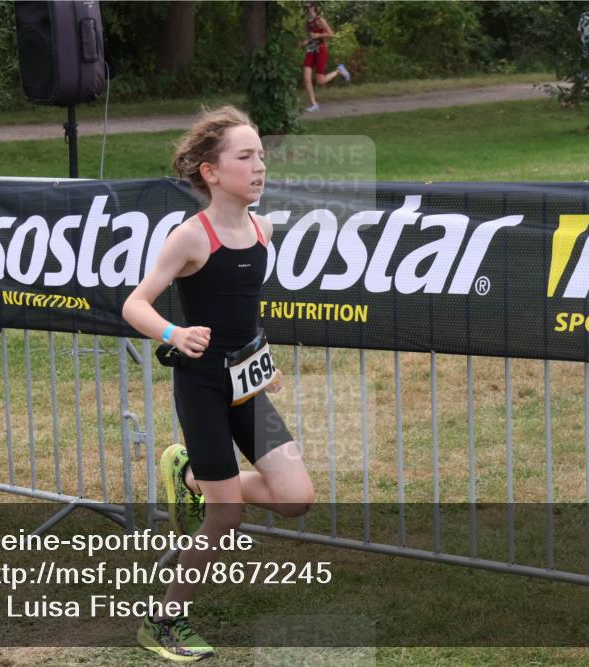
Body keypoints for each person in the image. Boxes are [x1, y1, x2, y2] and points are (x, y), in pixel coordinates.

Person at [122, 106, 315, 662]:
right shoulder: (191, 237)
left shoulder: (263, 228)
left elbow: (242, 315)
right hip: (202, 387)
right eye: (245, 157)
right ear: (210, 171)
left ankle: (191, 477)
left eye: (261, 156)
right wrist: (173, 332)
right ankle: (164, 620)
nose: (260, 167)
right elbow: (135, 303)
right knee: (225, 516)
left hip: (246, 384)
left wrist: (262, 360)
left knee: (297, 499)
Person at [301, 1, 350, 112]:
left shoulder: (320, 19)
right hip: (310, 51)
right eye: (306, 7)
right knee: (306, 77)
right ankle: (314, 104)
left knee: (320, 81)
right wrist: (305, 42)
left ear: (314, 7)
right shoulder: (308, 22)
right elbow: (310, 37)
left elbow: (331, 34)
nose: (307, 9)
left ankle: (339, 71)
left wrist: (318, 35)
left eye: (309, 7)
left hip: (321, 50)